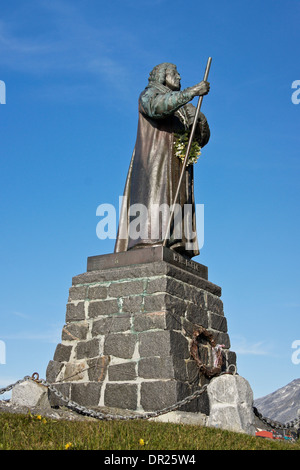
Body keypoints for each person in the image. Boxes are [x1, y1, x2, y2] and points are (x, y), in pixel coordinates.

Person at [114, 62, 210, 259]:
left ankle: (176, 243)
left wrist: (199, 120)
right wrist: (191, 92)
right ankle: (149, 243)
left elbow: (200, 139)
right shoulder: (149, 94)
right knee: (155, 203)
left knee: (178, 204)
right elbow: (155, 107)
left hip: (176, 167)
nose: (179, 77)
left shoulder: (182, 108)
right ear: (161, 75)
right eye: (174, 73)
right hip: (156, 163)